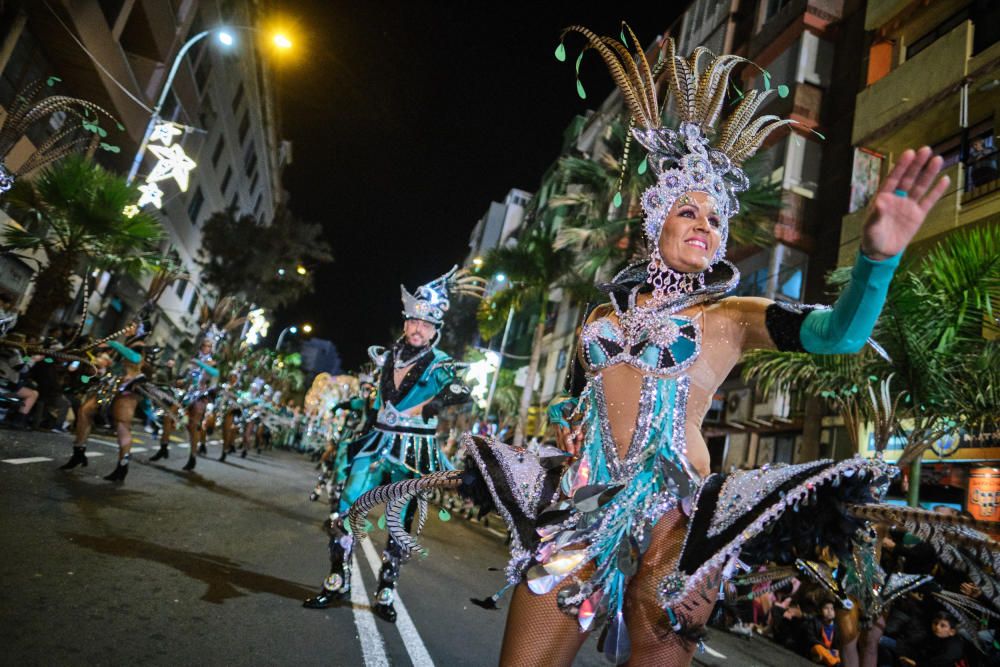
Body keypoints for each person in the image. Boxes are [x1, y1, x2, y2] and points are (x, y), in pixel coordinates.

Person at [345, 27, 998, 667]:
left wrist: (876, 261)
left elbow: (840, 332)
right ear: (656, 219)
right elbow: (586, 407)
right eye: (689, 211)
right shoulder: (600, 319)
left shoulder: (729, 317)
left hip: (674, 532)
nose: (705, 225)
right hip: (582, 517)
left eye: (715, 219)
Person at [303, 266, 481, 622]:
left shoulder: (441, 364)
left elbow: (462, 392)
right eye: (414, 321)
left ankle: (385, 591)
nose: (418, 328)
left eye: (427, 324)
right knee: (344, 510)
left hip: (413, 453)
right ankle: (336, 581)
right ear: (405, 324)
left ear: (435, 331)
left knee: (398, 522)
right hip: (375, 443)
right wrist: (354, 405)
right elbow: (375, 402)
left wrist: (434, 403)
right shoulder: (385, 357)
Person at [59, 318, 149, 481]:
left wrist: (113, 344)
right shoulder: (129, 342)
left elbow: (135, 359)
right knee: (84, 410)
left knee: (122, 425)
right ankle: (78, 453)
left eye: (131, 326)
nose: (127, 328)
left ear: (139, 329)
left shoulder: (139, 345)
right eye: (127, 324)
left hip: (128, 387)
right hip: (112, 384)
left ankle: (122, 467)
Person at [898, 612, 967, 667]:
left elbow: (942, 662)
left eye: (943, 626)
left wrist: (916, 664)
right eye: (935, 623)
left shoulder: (954, 647)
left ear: (952, 632)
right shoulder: (935, 635)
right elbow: (913, 642)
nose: (937, 627)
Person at [805, 600, 842, 665]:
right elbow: (811, 639)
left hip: (829, 651)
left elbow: (837, 644)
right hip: (818, 648)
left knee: (838, 655)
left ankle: (825, 660)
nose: (829, 611)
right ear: (820, 611)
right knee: (818, 648)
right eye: (826, 608)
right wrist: (826, 649)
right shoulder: (814, 621)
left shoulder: (836, 627)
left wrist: (837, 650)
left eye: (832, 609)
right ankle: (834, 663)